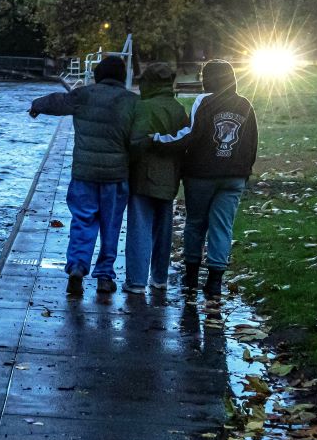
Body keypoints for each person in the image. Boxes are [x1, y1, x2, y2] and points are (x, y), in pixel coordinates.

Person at [29, 55, 137, 295]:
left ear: (98, 75)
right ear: (122, 77)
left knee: (82, 220)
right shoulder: (131, 101)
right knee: (111, 226)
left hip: (84, 173)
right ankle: (105, 276)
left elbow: (57, 101)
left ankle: (77, 267)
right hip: (116, 175)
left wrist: (36, 105)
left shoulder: (84, 95)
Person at [151, 59, 259, 300]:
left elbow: (191, 134)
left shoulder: (204, 101)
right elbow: (252, 142)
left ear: (209, 79)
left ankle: (190, 277)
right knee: (222, 226)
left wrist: (158, 140)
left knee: (195, 223)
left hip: (201, 174)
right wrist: (245, 170)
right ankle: (214, 281)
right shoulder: (245, 104)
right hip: (234, 176)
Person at [124, 62, 189, 294]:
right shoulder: (178, 108)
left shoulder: (144, 107)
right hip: (170, 177)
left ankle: (136, 281)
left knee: (139, 228)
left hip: (143, 176)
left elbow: (136, 143)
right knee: (163, 230)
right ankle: (160, 278)